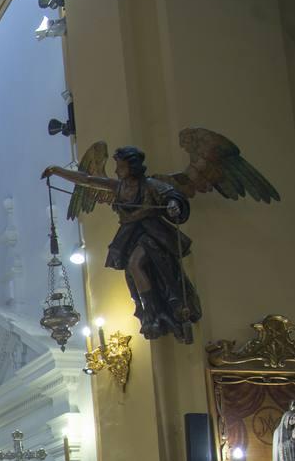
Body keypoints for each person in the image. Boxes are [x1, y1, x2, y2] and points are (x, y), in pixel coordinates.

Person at [42, 147, 198, 343]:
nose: (116, 171)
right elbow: (87, 179)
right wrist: (57, 171)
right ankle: (151, 311)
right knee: (133, 271)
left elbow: (173, 196)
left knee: (135, 265)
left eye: (121, 167)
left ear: (132, 168)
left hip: (153, 234)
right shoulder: (119, 187)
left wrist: (174, 204)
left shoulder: (149, 185)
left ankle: (153, 310)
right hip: (130, 236)